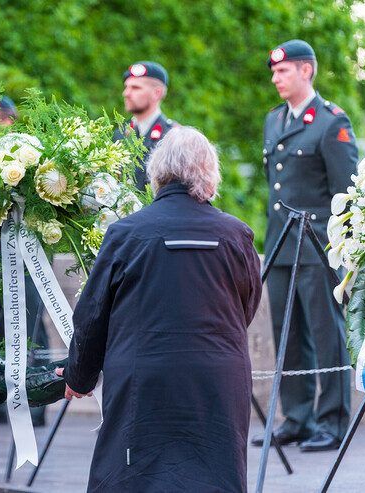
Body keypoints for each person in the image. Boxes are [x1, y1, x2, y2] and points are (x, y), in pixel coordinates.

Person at [60, 127, 262, 491]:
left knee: (135, 475)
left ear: (157, 174)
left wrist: (79, 376)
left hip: (144, 376)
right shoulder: (237, 235)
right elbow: (246, 307)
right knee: (214, 474)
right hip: (217, 377)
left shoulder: (126, 234)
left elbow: (92, 315)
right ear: (210, 175)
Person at [252, 39, 358, 452]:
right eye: (274, 72)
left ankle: (332, 422)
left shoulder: (331, 122)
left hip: (317, 248)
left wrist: (341, 253)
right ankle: (297, 417)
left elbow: (345, 195)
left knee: (326, 334)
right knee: (288, 334)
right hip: (281, 246)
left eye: (283, 71)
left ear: (306, 71)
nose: (276, 78)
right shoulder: (274, 120)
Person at [0, 94, 50, 427]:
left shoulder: (25, 157)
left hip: (24, 251)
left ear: (7, 122)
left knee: (26, 322)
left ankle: (36, 402)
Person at [115, 61, 178, 191]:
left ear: (157, 93)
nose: (126, 93)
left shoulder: (174, 138)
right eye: (126, 87)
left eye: (136, 88)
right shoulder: (119, 133)